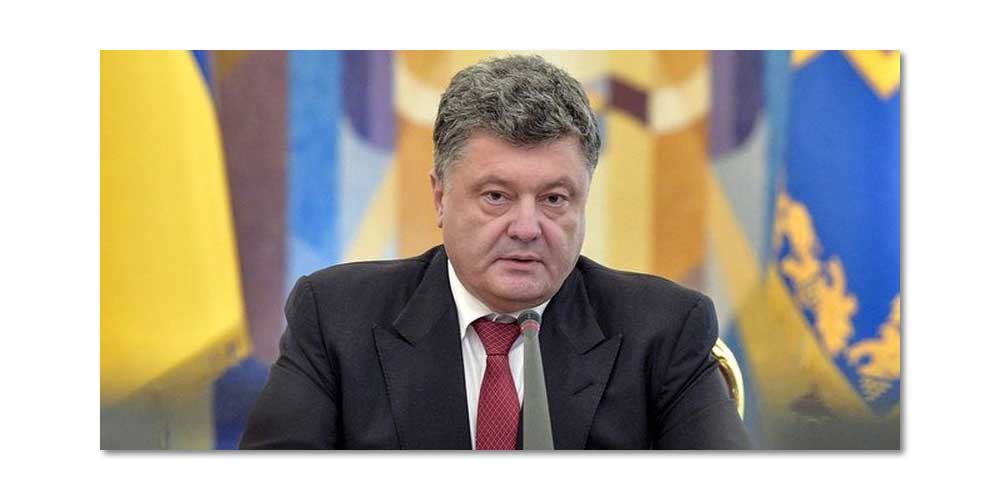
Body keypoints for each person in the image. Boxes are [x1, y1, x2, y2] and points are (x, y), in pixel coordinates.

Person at [240, 54, 751, 450]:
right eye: (496, 196)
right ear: (440, 197)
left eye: (554, 199)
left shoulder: (664, 330)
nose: (527, 228)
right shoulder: (336, 318)